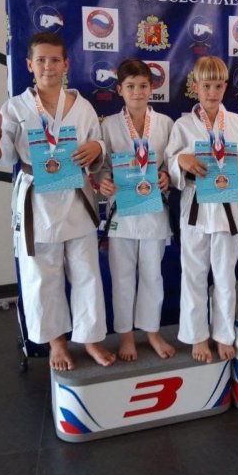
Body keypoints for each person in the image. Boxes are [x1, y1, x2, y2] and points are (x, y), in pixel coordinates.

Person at [0, 32, 115, 371]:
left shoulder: (82, 106)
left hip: (75, 196)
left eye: (55, 60)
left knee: (87, 272)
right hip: (37, 200)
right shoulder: (15, 107)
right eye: (40, 60)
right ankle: (57, 343)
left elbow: (97, 143)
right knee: (44, 275)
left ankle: (90, 338)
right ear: (29, 65)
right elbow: (5, 156)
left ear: (66, 64)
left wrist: (97, 148)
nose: (48, 66)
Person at [166, 56, 238, 363]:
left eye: (218, 86)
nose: (212, 92)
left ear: (226, 86)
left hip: (227, 209)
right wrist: (180, 161)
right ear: (195, 86)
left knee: (224, 275)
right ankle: (197, 335)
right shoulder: (183, 125)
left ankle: (223, 334)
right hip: (195, 209)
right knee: (193, 274)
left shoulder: (237, 123)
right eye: (206, 86)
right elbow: (170, 163)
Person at [98, 59, 176, 362]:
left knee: (153, 275)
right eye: (130, 86)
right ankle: (126, 335)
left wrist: (166, 176)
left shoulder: (165, 124)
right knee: (122, 277)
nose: (137, 92)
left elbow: (171, 163)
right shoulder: (108, 125)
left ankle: (152, 331)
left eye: (143, 85)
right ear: (120, 89)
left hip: (154, 208)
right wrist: (104, 181)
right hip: (122, 212)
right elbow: (102, 166)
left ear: (152, 87)